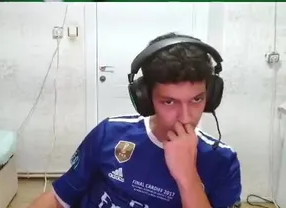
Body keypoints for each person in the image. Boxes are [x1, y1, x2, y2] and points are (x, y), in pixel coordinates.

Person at [26, 33, 241, 208]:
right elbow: (59, 197)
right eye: (169, 102)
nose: (186, 117)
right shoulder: (109, 133)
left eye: (196, 99)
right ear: (146, 99)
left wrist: (188, 177)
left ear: (211, 95)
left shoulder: (222, 160)